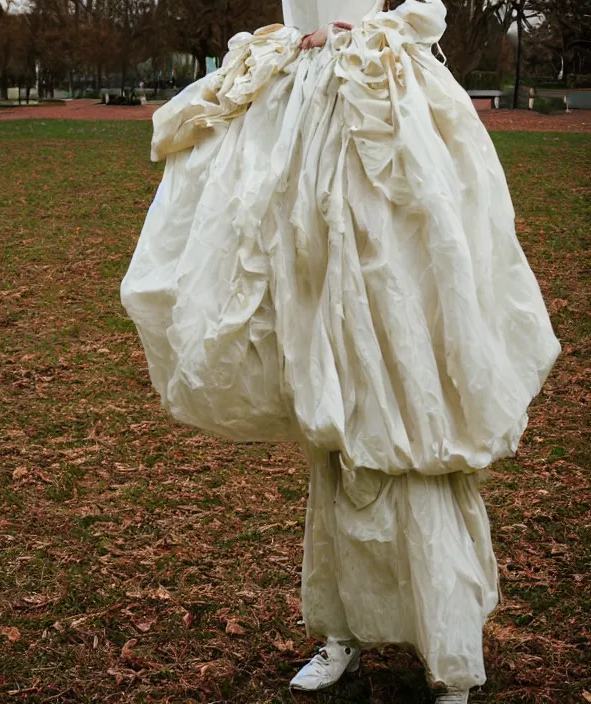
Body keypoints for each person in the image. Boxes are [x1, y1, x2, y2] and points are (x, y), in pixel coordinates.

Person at [120, 1, 561, 702]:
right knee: (326, 381)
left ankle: (449, 650)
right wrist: (298, 49)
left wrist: (357, 36)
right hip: (301, 118)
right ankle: (341, 632)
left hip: (378, 104)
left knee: (401, 385)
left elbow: (424, 9)